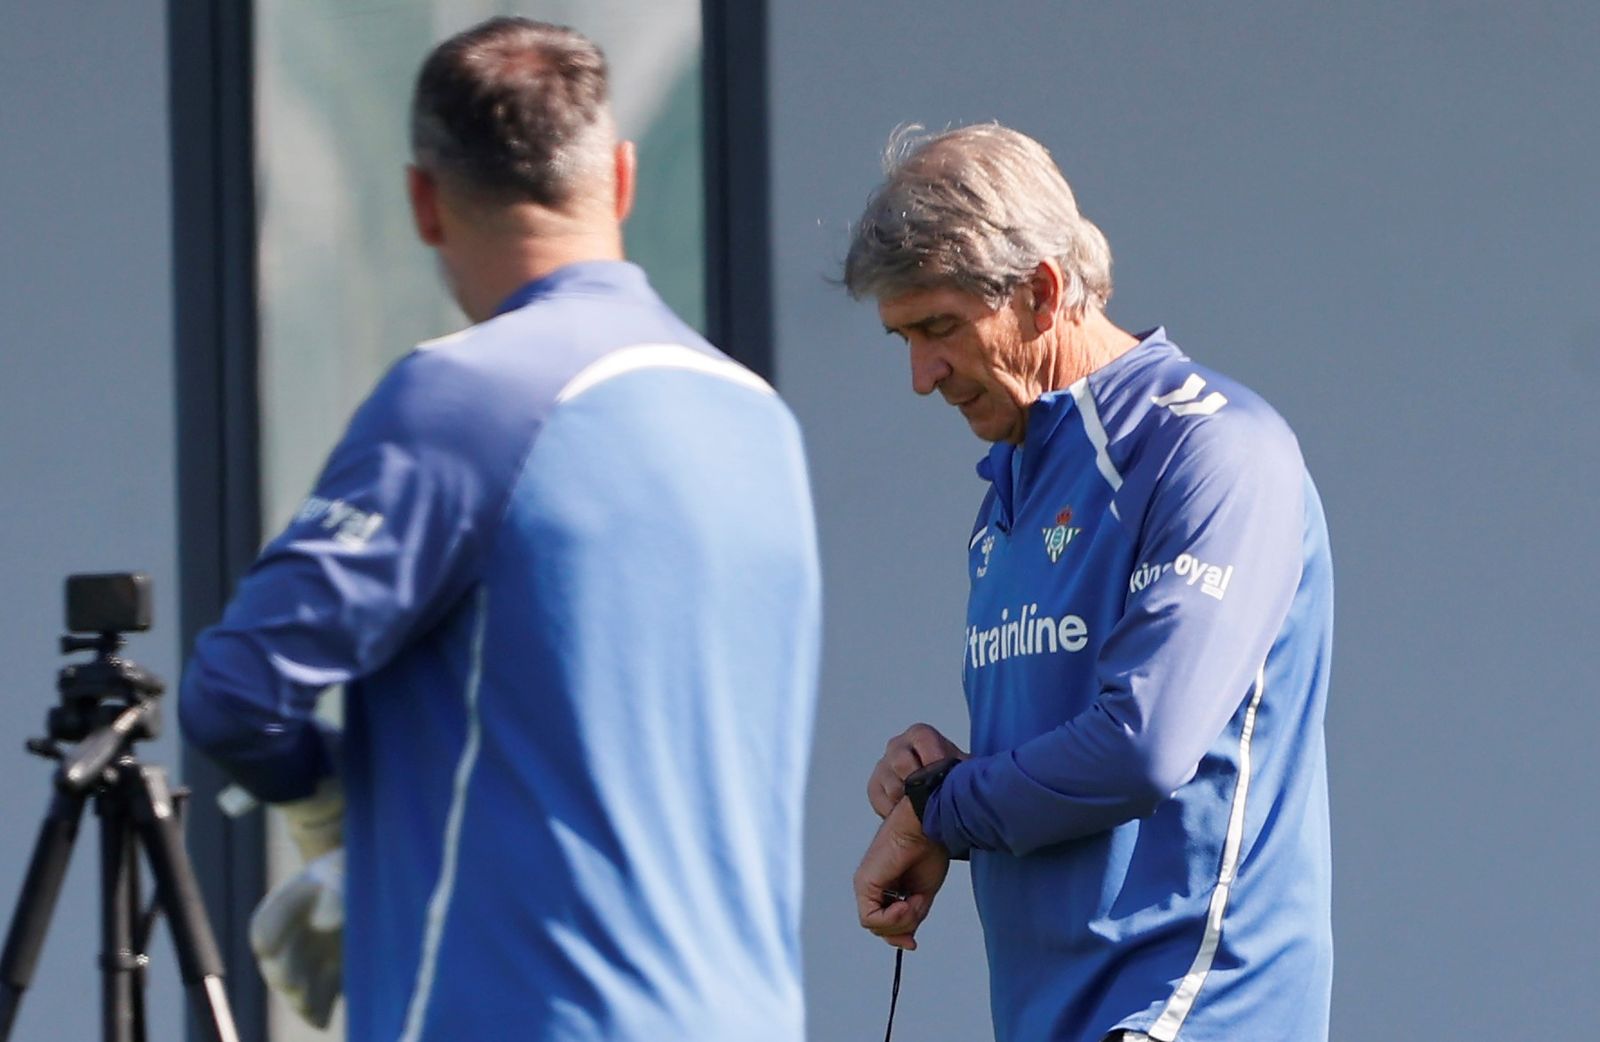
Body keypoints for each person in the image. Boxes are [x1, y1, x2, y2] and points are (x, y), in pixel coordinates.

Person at [180, 17, 821, 1042]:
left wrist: (336, 823)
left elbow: (236, 692)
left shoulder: (461, 395)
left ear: (422, 200)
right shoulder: (758, 420)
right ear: (619, 178)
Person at [845, 124, 1333, 1042]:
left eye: (939, 328)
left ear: (1041, 291)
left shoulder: (1214, 448)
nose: (921, 377)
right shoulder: (1011, 489)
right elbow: (1060, 749)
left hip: (1186, 1012)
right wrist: (936, 775)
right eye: (903, 338)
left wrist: (939, 811)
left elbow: (1139, 747)